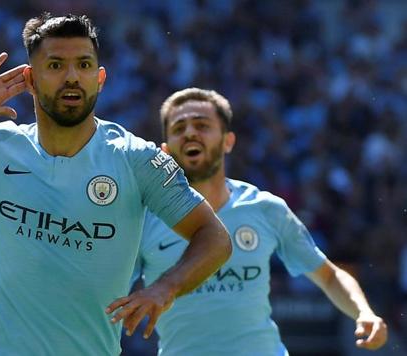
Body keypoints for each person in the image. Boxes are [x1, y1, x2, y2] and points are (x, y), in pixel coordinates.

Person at [0, 14, 231, 356]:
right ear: (29, 79)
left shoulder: (136, 160)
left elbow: (214, 238)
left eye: (84, 65)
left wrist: (165, 288)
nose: (72, 77)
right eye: (56, 66)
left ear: (100, 79)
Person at [133, 88, 388, 355]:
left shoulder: (266, 209)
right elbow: (107, 293)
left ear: (228, 141)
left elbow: (329, 275)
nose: (189, 133)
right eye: (178, 128)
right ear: (165, 149)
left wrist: (364, 312)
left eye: (202, 125)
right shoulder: (144, 220)